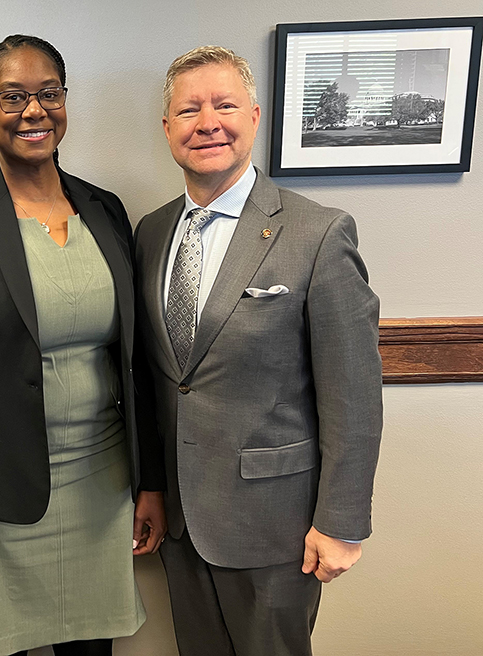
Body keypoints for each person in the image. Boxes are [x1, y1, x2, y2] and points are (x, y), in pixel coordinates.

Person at [0, 35, 166, 656]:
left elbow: (135, 365)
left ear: (65, 100)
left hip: (102, 487)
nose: (33, 111)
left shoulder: (105, 209)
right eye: (13, 96)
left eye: (49, 93)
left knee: (91, 649)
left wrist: (149, 481)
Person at [133, 46, 383, 655]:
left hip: (279, 524)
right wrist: (154, 489)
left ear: (254, 115)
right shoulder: (150, 231)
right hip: (184, 525)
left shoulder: (317, 232)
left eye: (223, 105)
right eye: (188, 109)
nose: (206, 122)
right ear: (168, 128)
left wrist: (342, 522)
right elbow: (157, 378)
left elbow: (353, 392)